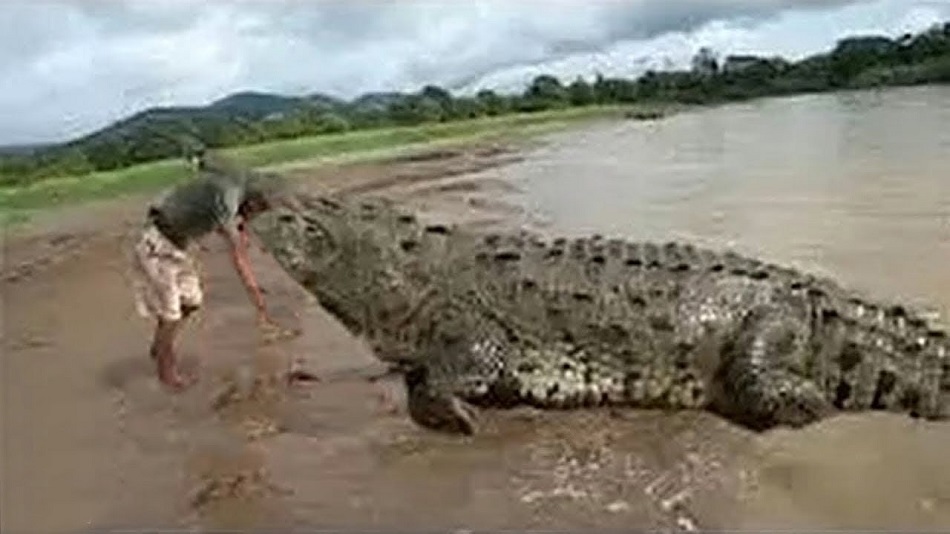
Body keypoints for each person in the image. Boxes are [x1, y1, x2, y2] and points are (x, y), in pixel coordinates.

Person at [129, 145, 301, 390]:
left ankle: (160, 345)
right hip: (156, 246)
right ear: (254, 200)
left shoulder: (236, 187)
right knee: (171, 313)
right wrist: (256, 295)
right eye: (260, 209)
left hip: (178, 247)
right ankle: (165, 370)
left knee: (192, 302)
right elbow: (237, 256)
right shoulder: (229, 198)